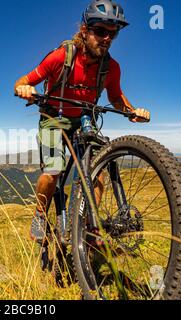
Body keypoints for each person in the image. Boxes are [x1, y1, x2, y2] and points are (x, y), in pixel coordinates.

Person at [14, 0, 150, 243]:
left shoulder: (111, 68)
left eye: (113, 33)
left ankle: (89, 227)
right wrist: (24, 88)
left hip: (85, 119)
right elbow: (24, 79)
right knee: (53, 171)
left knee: (97, 173)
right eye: (100, 31)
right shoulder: (61, 57)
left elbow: (116, 97)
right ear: (85, 30)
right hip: (53, 117)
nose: (107, 38)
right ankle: (40, 215)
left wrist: (132, 111)